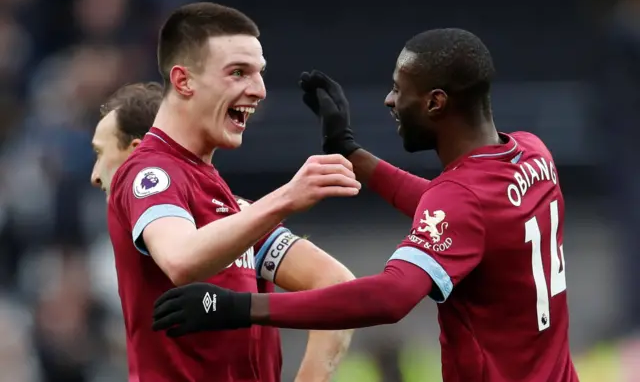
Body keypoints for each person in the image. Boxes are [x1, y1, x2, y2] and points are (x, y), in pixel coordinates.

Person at [152, 28, 580, 382]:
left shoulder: (461, 199)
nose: (389, 101)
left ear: (435, 102)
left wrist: (235, 308)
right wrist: (350, 152)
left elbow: (390, 297)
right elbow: (454, 212)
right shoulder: (531, 152)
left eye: (398, 89)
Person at [105, 3, 361, 382]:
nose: (258, 90)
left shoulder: (227, 206)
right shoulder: (151, 172)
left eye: (260, 74)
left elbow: (338, 288)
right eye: (238, 73)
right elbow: (180, 259)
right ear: (183, 81)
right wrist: (287, 196)